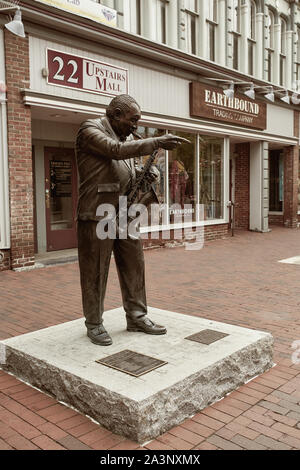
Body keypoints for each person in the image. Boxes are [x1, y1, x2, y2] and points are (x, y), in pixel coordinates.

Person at [75, 94, 189, 346]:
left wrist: (145, 172)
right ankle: (94, 323)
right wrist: (156, 141)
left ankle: (137, 316)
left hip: (125, 213)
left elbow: (122, 169)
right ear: (116, 115)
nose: (135, 126)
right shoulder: (90, 129)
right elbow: (114, 152)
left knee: (134, 265)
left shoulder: (123, 137)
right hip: (97, 214)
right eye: (133, 120)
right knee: (95, 272)